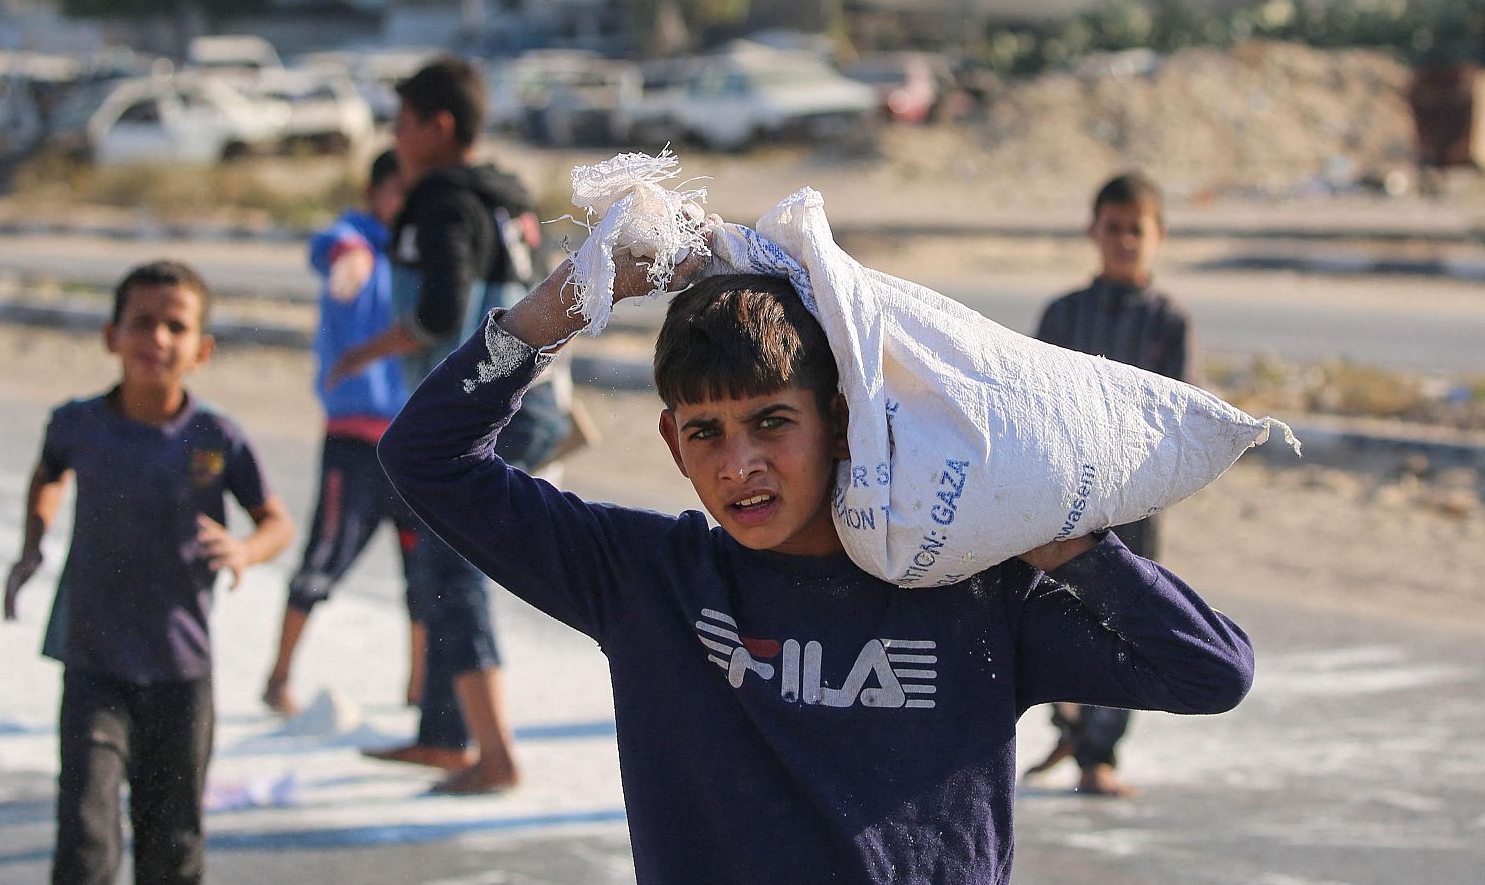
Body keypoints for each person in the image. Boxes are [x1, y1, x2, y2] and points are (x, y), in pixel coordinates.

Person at [373, 237, 1254, 881]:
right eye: (705, 433)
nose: (740, 463)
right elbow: (426, 460)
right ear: (673, 446)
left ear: (840, 422)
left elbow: (1210, 671)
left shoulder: (970, 594)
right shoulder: (646, 580)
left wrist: (1059, 541)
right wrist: (557, 309)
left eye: (772, 422)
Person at [3, 260, 294, 884]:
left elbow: (277, 522)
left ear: (201, 350)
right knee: (84, 836)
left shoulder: (216, 437)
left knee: (173, 845)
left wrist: (245, 551)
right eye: (141, 323)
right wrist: (32, 544)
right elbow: (49, 472)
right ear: (112, 336)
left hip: (181, 672)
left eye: (174, 326)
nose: (156, 338)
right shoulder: (77, 424)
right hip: (93, 664)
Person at [333, 55, 569, 794]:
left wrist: (361, 353)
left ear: (438, 126)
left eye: (402, 122)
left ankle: (492, 756)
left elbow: (439, 314)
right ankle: (443, 735)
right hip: (530, 404)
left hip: (481, 419)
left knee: (450, 568)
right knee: (442, 565)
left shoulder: (438, 199)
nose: (395, 136)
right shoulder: (506, 195)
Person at [1024, 171, 1202, 799]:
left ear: (1158, 237)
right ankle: (1068, 723)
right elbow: (1034, 401)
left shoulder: (1169, 322)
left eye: (1137, 230)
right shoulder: (1063, 313)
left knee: (1126, 622)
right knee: (1051, 611)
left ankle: (1100, 752)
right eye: (1114, 228)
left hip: (1134, 502)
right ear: (1093, 231)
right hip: (1062, 499)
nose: (1124, 241)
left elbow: (1179, 416)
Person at [260, 149, 442, 723]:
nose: (403, 205)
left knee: (425, 577)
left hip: (413, 448)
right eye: (396, 193)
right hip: (356, 444)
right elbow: (335, 249)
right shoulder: (355, 237)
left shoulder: (423, 252)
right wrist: (351, 264)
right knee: (322, 560)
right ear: (374, 192)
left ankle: (418, 687)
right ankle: (278, 676)